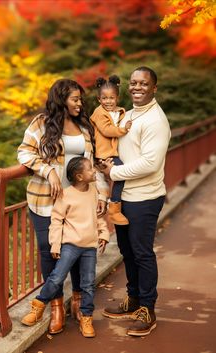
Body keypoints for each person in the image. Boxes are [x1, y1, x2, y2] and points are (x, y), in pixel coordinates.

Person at [17, 79, 108, 334]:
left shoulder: (84, 125)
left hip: (80, 201)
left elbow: (95, 166)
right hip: (45, 200)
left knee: (80, 249)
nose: (80, 103)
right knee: (49, 252)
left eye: (80, 99)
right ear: (61, 100)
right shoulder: (41, 123)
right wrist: (48, 171)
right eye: (75, 99)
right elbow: (24, 153)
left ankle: (78, 302)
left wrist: (101, 194)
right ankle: (55, 306)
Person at [101, 66, 171, 337]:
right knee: (127, 252)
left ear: (154, 87)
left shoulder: (155, 120)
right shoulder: (128, 115)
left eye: (144, 83)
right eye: (133, 83)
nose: (137, 87)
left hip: (145, 197)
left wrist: (113, 172)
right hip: (123, 197)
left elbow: (151, 164)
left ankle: (147, 308)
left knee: (142, 253)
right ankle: (133, 300)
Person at [21, 156, 110, 338]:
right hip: (69, 245)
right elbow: (56, 220)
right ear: (79, 176)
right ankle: (38, 306)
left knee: (88, 284)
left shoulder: (93, 191)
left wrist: (104, 233)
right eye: (90, 169)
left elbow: (97, 216)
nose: (94, 171)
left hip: (89, 247)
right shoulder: (66, 194)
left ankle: (86, 317)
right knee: (56, 277)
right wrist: (55, 244)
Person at [90, 75, 132, 225]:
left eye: (111, 98)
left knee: (119, 175)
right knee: (122, 173)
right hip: (104, 154)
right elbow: (107, 130)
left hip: (113, 153)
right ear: (99, 99)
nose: (108, 101)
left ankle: (111, 204)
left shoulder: (120, 112)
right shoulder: (99, 113)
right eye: (104, 98)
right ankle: (114, 207)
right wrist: (123, 130)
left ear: (117, 98)